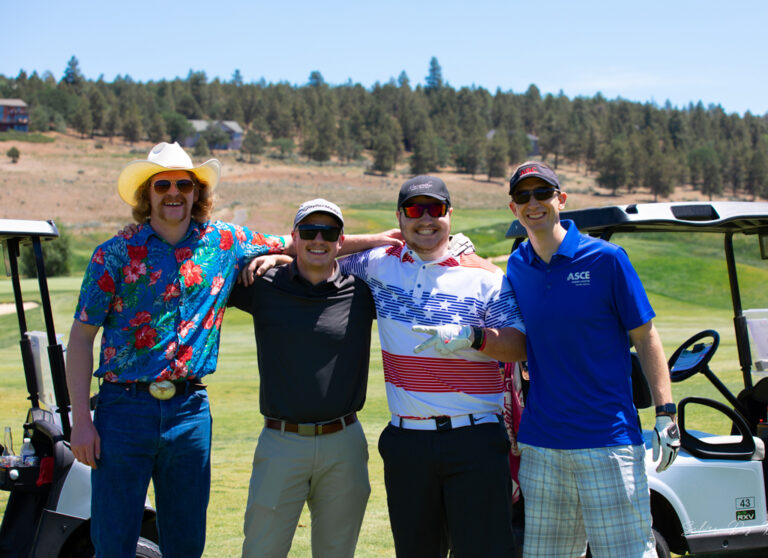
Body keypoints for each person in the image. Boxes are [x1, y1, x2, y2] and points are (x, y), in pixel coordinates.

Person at [65, 142, 397, 558]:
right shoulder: (113, 254)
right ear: (147, 193)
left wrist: (385, 240)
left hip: (189, 411)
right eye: (162, 184)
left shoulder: (223, 241)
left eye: (184, 184)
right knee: (113, 543)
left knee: (186, 543)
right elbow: (81, 339)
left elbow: (303, 244)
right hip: (122, 409)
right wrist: (82, 420)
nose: (174, 192)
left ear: (196, 193)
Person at [337, 176, 527, 557]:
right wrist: (377, 238)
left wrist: (473, 337)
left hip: (475, 440)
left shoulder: (487, 276)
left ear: (450, 214)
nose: (425, 219)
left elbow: (518, 345)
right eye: (414, 210)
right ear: (400, 217)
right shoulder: (377, 264)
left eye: (435, 209)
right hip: (407, 442)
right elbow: (319, 255)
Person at [504, 161, 680, 558]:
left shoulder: (607, 259)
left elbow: (645, 335)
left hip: (607, 442)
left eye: (542, 193)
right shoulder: (517, 266)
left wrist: (666, 412)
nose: (533, 203)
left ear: (560, 199)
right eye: (522, 196)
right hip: (542, 445)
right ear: (513, 207)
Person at [228, 199, 375, 558]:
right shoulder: (261, 284)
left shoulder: (361, 291)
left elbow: (412, 251)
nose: (319, 240)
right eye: (309, 232)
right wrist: (274, 258)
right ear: (294, 238)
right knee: (261, 551)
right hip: (281, 442)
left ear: (342, 240)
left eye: (330, 232)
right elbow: (207, 272)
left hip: (344, 443)